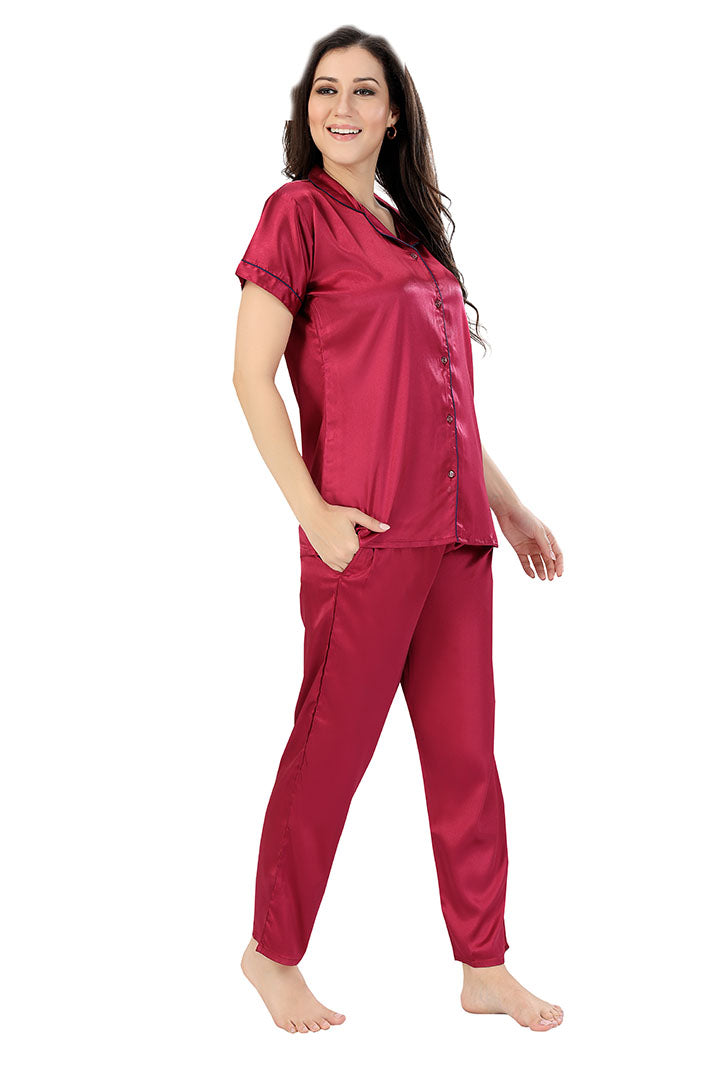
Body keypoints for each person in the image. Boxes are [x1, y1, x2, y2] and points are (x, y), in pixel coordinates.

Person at [232, 27, 565, 1035]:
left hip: (456, 538)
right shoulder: (296, 214)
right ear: (307, 112)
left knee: (467, 758)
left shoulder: (412, 231)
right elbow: (250, 377)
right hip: (367, 536)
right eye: (325, 90)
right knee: (331, 750)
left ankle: (483, 964)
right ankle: (271, 954)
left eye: (363, 91)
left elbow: (444, 402)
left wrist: (510, 506)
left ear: (392, 113)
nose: (342, 107)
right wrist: (314, 515)